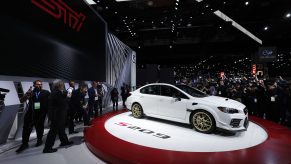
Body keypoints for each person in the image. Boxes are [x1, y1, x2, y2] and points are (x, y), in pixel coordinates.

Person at [16, 80, 50, 153]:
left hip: (41, 113)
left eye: (41, 84)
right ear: (34, 85)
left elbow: (50, 102)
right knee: (26, 128)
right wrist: (27, 95)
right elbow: (21, 100)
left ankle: (39, 140)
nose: (40, 85)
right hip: (30, 113)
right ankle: (24, 144)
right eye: (38, 84)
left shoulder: (46, 92)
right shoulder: (31, 92)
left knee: (40, 127)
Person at [43, 79, 73, 153]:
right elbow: (63, 103)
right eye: (62, 84)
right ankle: (47, 148)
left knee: (61, 129)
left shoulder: (55, 92)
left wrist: (67, 93)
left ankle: (64, 141)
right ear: (59, 85)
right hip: (57, 115)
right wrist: (69, 96)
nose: (63, 85)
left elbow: (62, 97)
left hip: (56, 115)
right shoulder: (57, 93)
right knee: (53, 132)